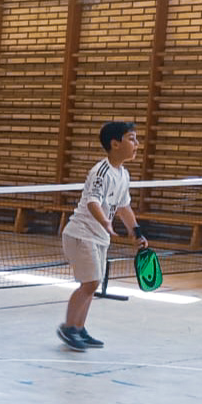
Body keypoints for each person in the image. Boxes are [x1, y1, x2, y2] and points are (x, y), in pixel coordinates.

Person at [59, 121, 147, 351]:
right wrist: (105, 221)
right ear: (115, 144)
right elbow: (92, 201)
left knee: (93, 283)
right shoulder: (101, 171)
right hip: (81, 234)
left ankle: (79, 328)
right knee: (90, 282)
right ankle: (68, 327)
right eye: (131, 139)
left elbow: (123, 207)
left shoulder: (123, 174)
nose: (137, 144)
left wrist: (136, 231)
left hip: (99, 237)